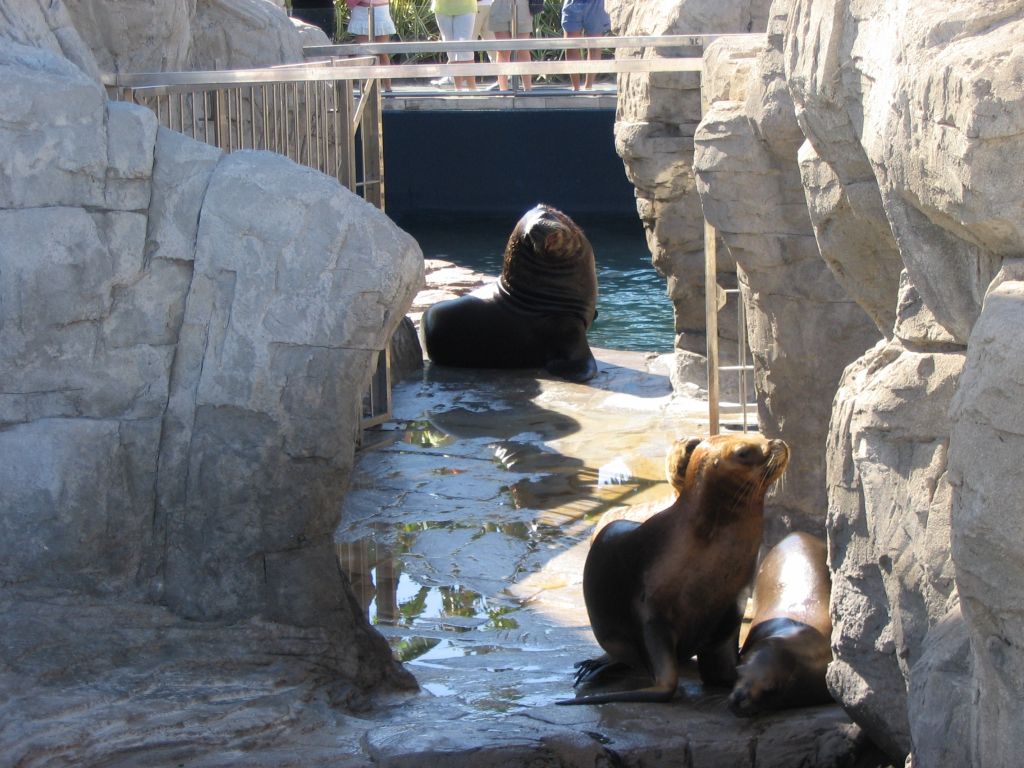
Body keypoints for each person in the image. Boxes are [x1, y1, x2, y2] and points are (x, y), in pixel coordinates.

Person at [347, 0, 397, 92]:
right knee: (363, 52)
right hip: (361, 10)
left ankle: (388, 87)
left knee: (382, 51)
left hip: (380, 10)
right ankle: (364, 89)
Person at [560, 0, 610, 91]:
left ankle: (588, 87)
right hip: (572, 3)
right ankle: (576, 88)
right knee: (571, 45)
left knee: (595, 45)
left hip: (596, 3)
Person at [433, 0, 479, 91]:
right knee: (451, 51)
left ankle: (473, 91)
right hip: (442, 8)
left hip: (466, 7)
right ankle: (458, 91)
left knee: (464, 48)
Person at [489, 0, 533, 92]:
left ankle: (528, 90)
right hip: (499, 4)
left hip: (522, 4)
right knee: (502, 50)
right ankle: (503, 91)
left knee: (522, 48)